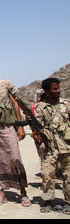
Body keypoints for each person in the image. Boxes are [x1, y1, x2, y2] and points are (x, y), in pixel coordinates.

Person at [0, 62, 30, 206]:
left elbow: (15, 104)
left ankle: (23, 192)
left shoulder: (6, 84)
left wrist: (20, 127)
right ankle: (1, 193)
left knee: (15, 157)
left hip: (8, 125)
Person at [33, 78, 70, 214]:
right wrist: (39, 138)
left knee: (68, 175)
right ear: (46, 91)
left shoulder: (66, 105)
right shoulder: (40, 108)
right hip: (49, 148)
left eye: (58, 88)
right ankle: (48, 201)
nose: (58, 91)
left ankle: (68, 202)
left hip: (67, 146)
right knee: (47, 175)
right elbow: (36, 127)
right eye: (54, 89)